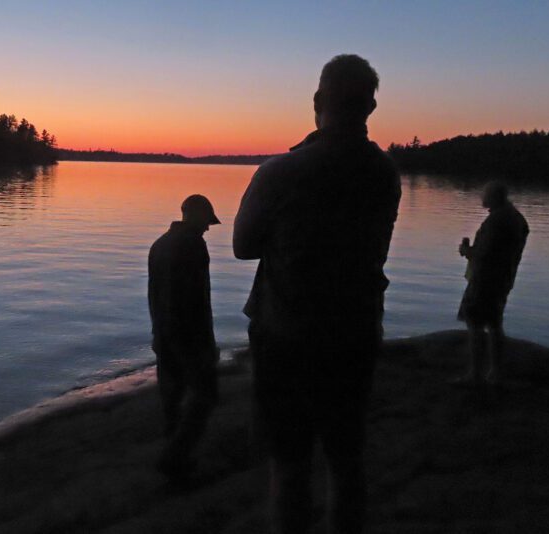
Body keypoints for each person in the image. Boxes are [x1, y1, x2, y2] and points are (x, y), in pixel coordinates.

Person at [233, 54, 400, 534]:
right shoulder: (384, 172)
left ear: (317, 101)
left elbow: (244, 246)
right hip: (356, 333)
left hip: (288, 337)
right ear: (370, 106)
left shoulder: (282, 172)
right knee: (346, 461)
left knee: (289, 466)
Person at [148, 194, 221, 478]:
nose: (208, 228)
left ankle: (174, 453)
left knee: (172, 393)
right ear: (197, 216)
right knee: (205, 395)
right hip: (188, 333)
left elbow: (154, 293)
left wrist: (157, 332)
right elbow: (199, 298)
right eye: (207, 222)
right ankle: (175, 457)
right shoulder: (192, 245)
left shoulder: (160, 243)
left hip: (164, 329)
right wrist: (208, 341)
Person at [455, 181, 529, 385]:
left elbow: (484, 255)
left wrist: (466, 251)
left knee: (475, 325)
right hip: (503, 279)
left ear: (494, 197)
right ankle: (495, 373)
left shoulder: (497, 221)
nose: (481, 197)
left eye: (484, 194)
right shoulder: (517, 219)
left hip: (485, 281)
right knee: (495, 324)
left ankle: (475, 374)